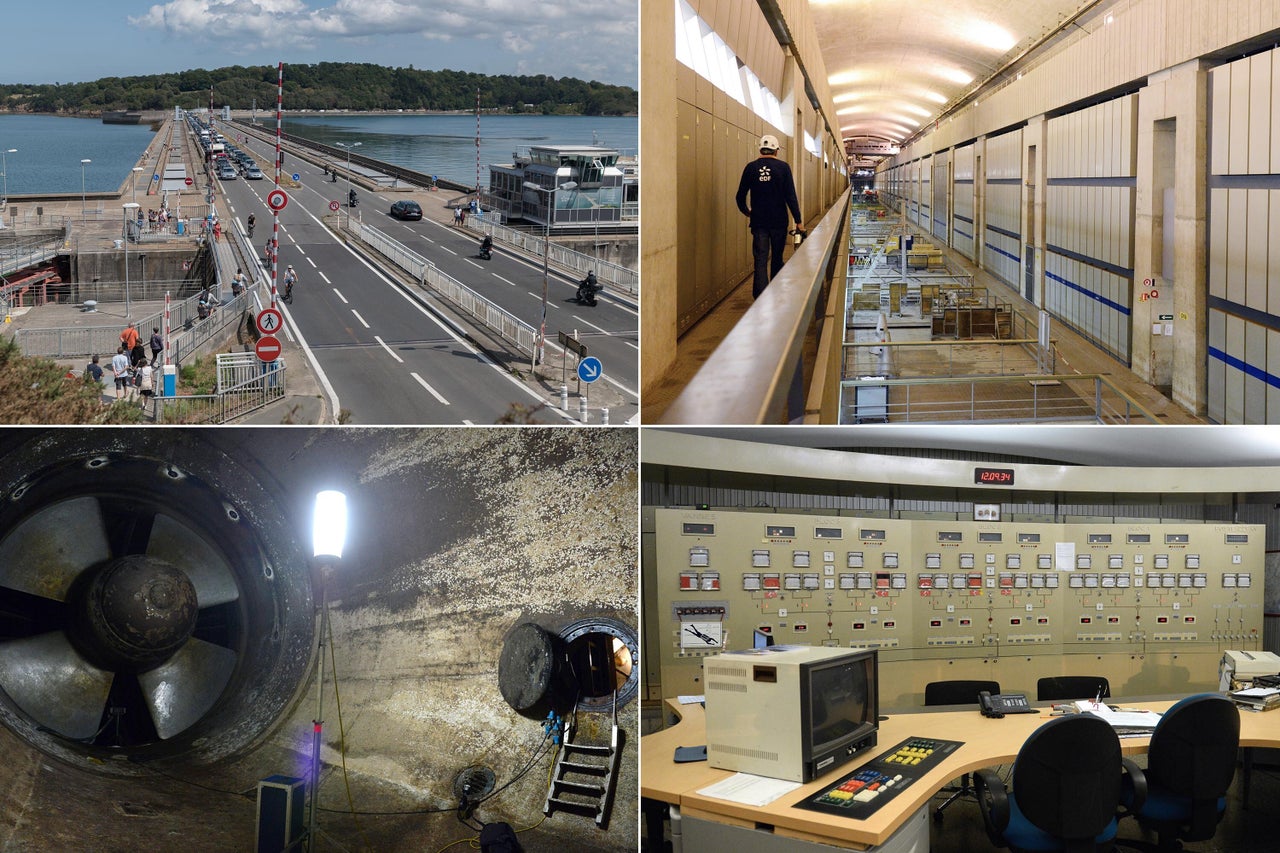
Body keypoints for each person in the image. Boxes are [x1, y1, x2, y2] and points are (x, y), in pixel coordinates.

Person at [735, 134, 805, 299]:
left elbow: (739, 197)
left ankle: (760, 297)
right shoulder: (783, 168)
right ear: (776, 151)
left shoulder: (750, 168)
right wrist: (799, 222)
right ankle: (776, 292)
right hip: (779, 222)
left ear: (760, 148)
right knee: (777, 258)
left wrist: (748, 212)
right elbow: (791, 197)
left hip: (759, 222)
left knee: (760, 259)